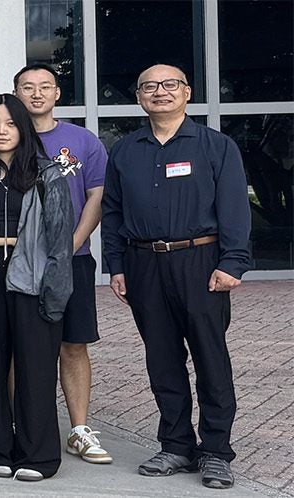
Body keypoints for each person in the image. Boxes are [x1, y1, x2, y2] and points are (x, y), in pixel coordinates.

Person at [106, 64, 249, 490]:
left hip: (201, 264)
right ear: (138, 97)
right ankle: (176, 445)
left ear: (187, 93)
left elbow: (235, 210)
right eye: (149, 86)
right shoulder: (125, 150)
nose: (160, 92)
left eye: (170, 85)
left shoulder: (216, 146)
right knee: (162, 360)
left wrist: (233, 262)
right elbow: (112, 213)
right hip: (144, 264)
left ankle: (217, 451)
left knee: (210, 359)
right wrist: (116, 265)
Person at [0, 93, 75, 482]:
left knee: (36, 369)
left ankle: (38, 456)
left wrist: (55, 294)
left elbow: (59, 241)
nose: (1, 131)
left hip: (34, 278)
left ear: (23, 127)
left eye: (9, 123)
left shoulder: (48, 175)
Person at [16, 63, 113, 465]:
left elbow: (96, 197)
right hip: (17, 263)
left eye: (44, 87)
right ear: (16, 92)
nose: (36, 94)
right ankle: (17, 425)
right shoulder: (6, 136)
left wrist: (70, 245)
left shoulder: (83, 140)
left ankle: (78, 428)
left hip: (71, 260)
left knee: (73, 344)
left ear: (57, 93)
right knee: (17, 346)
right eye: (27, 87)